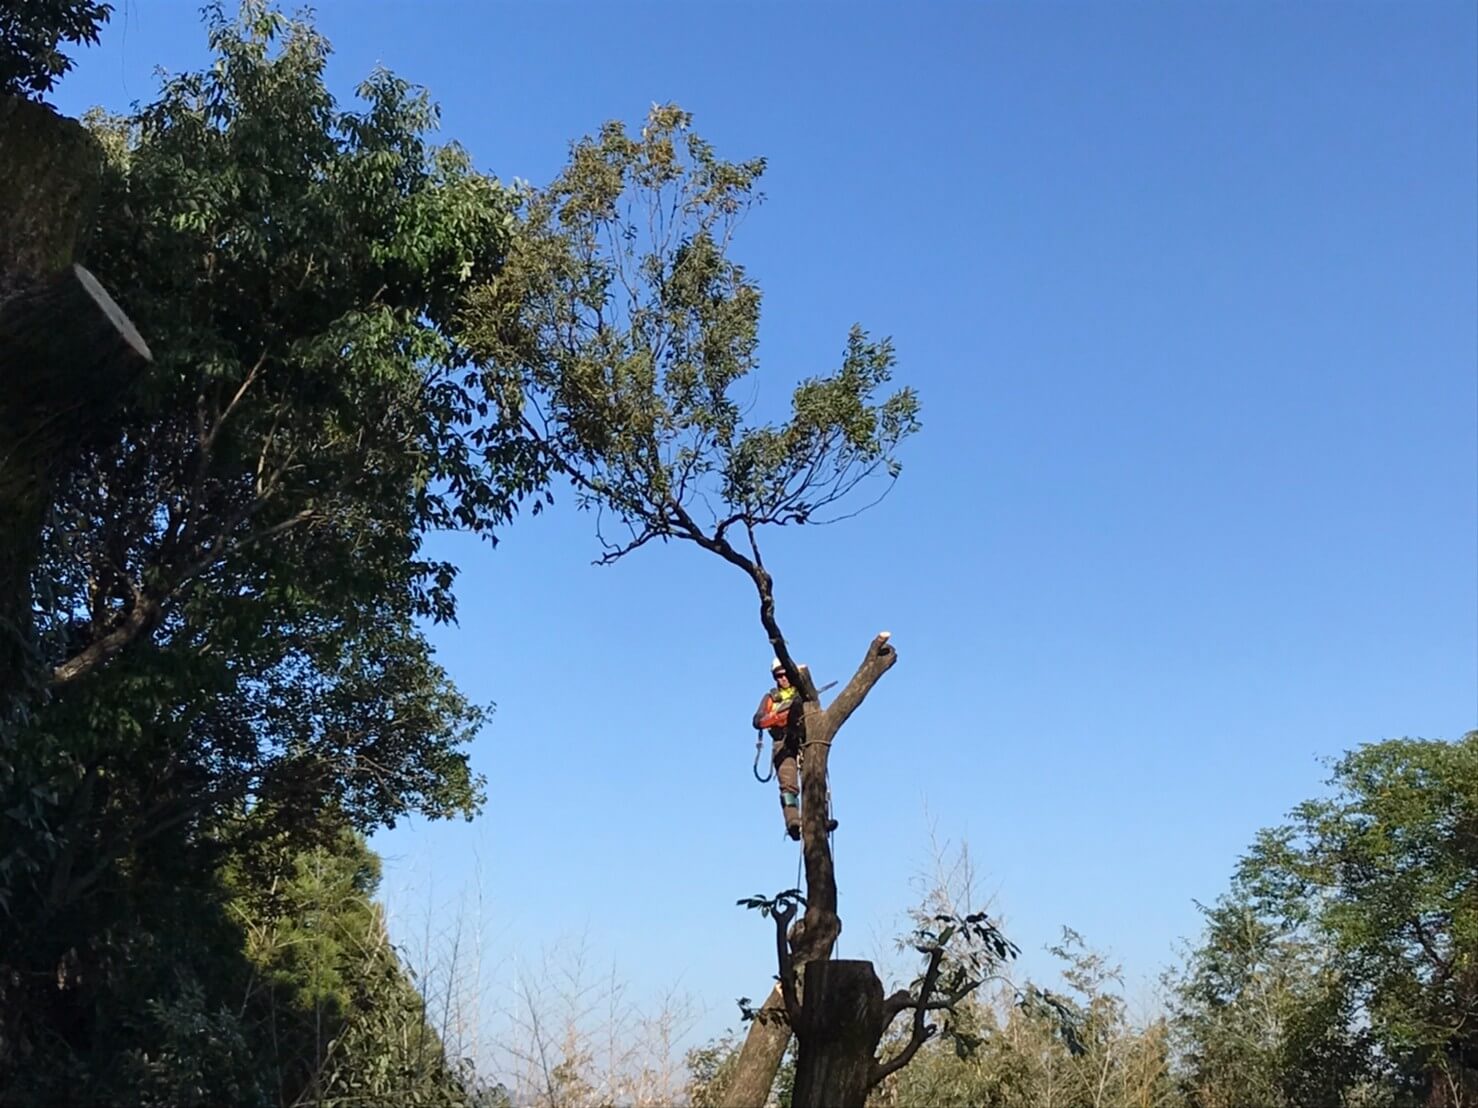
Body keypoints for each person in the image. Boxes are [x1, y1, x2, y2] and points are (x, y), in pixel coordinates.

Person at [752, 658, 837, 841]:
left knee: (815, 777)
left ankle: (821, 817)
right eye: (778, 676)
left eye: (785, 674)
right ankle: (793, 822)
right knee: (788, 785)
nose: (782, 679)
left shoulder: (803, 693)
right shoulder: (771, 699)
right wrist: (775, 718)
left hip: (804, 740)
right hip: (782, 743)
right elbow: (757, 721)